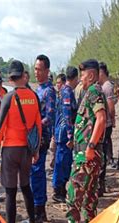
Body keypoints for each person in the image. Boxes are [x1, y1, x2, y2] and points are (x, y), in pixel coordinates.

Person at [0, 60, 41, 223]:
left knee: (10, 192)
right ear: (23, 76)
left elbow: (0, 128)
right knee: (26, 186)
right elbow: (37, 126)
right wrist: (36, 150)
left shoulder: (8, 98)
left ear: (11, 78)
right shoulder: (34, 97)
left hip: (10, 150)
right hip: (26, 149)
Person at [66, 59, 107, 223]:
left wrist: (89, 147)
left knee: (74, 197)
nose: (81, 78)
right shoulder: (91, 91)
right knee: (89, 200)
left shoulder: (92, 91)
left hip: (86, 156)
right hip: (87, 154)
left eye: (82, 75)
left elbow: (101, 119)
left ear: (90, 75)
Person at [30, 54, 56, 223]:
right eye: (35, 69)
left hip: (42, 136)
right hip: (34, 135)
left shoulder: (49, 91)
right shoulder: (37, 90)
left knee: (37, 171)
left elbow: (50, 116)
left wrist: (35, 124)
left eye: (40, 69)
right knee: (33, 172)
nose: (37, 72)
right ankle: (38, 209)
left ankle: (39, 210)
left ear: (47, 71)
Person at [52, 66, 78, 203]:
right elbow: (68, 116)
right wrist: (70, 136)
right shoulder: (67, 92)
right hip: (64, 134)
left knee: (62, 162)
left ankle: (60, 189)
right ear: (75, 78)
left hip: (60, 132)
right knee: (62, 162)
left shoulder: (63, 91)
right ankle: (58, 190)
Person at [98, 62, 116, 196]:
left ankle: (101, 184)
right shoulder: (104, 86)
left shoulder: (107, 86)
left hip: (106, 124)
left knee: (102, 153)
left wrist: (112, 119)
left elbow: (110, 106)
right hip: (105, 124)